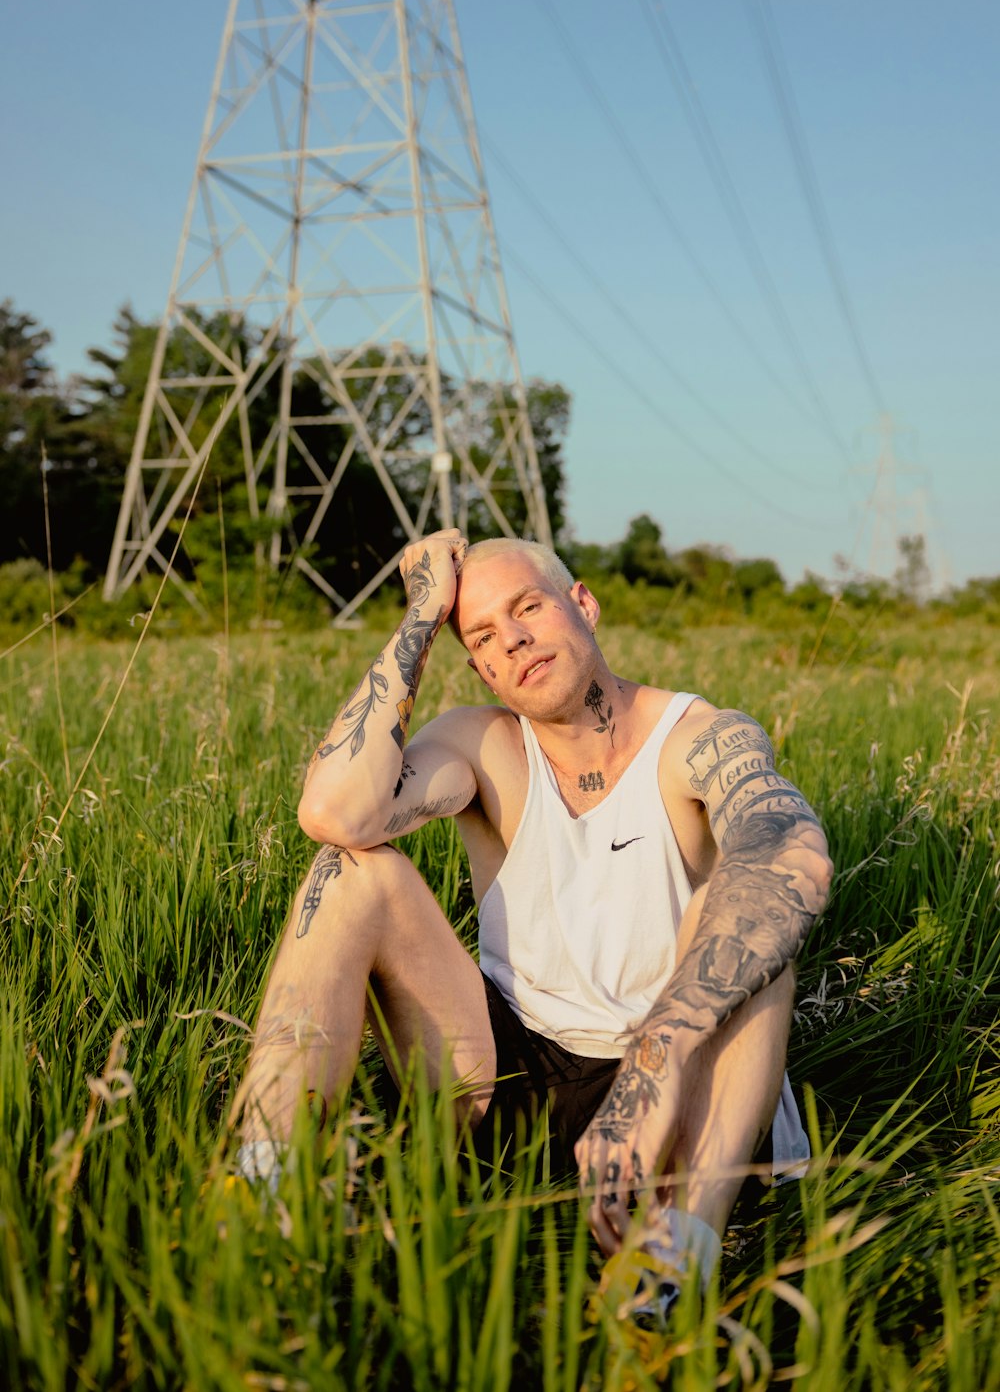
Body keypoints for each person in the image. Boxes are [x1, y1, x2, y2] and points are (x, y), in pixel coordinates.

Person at [234, 529, 832, 1321]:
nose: (512, 639)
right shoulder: (483, 743)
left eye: (527, 608)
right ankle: (262, 1203)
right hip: (514, 1067)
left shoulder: (695, 736)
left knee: (752, 916)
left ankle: (671, 1268)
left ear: (581, 604)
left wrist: (651, 1073)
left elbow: (792, 853)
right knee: (351, 870)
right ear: (480, 665)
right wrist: (420, 615)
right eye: (482, 635)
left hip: (675, 1077)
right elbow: (334, 810)